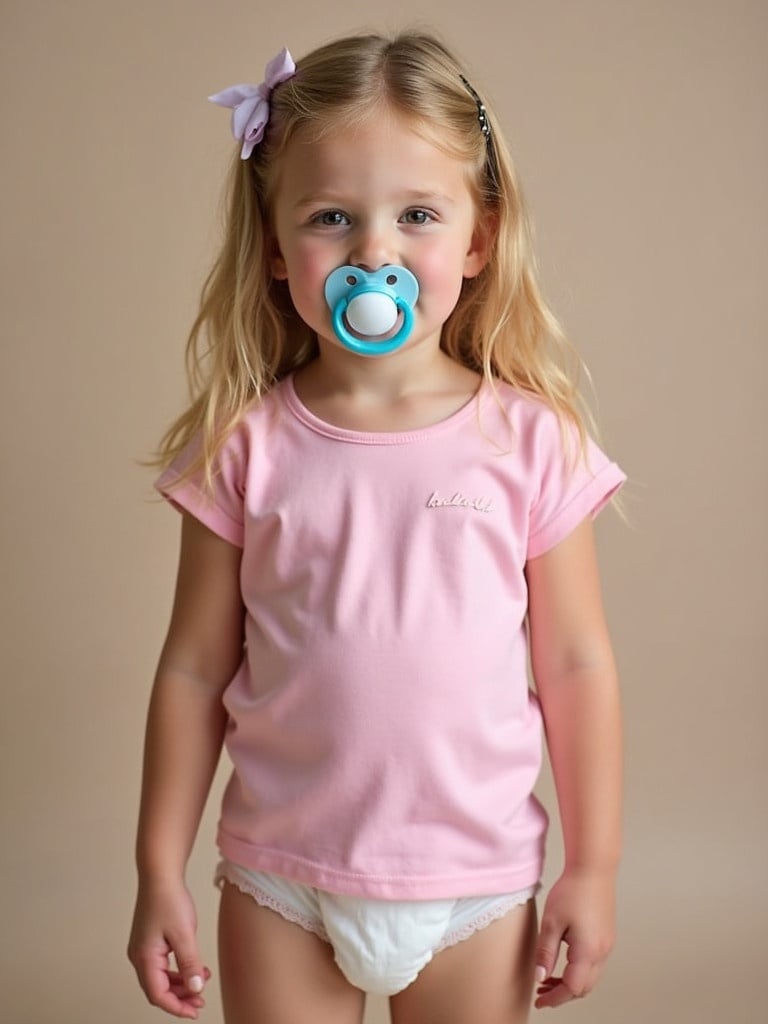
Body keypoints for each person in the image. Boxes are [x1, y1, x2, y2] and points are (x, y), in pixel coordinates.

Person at [127, 31, 625, 1024]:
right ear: (274, 244)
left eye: (418, 216)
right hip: (282, 881)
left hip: (476, 888)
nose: (374, 253)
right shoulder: (246, 447)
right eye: (332, 217)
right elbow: (192, 668)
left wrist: (595, 866)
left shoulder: (529, 441)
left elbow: (575, 662)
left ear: (477, 239)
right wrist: (157, 871)